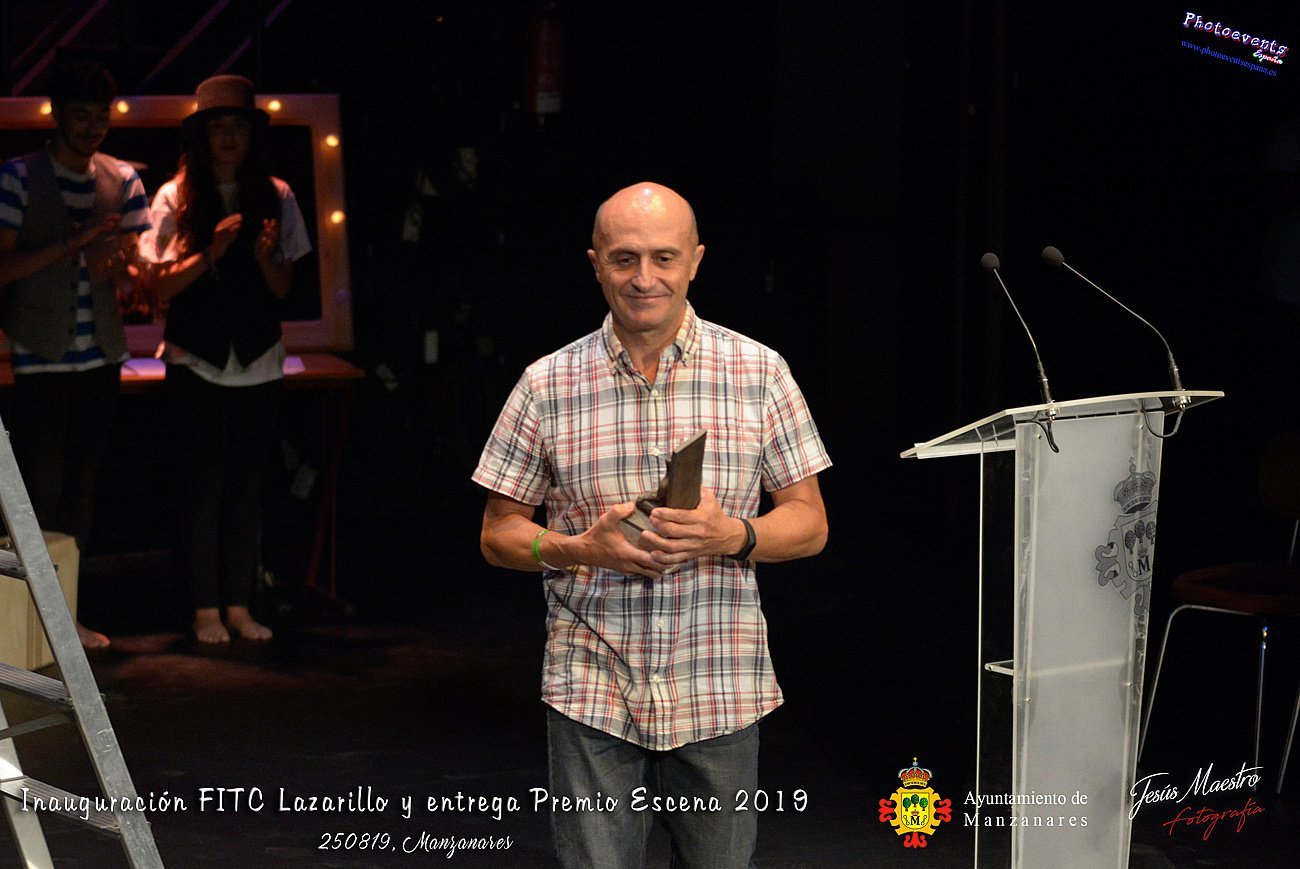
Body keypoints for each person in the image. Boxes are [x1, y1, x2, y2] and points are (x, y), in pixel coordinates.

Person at [473, 182, 831, 868]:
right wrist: (580, 547)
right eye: (624, 258)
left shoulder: (759, 372)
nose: (644, 278)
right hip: (592, 690)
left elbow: (810, 523)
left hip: (718, 685)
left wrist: (732, 535)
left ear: (695, 261)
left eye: (664, 258)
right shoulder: (546, 383)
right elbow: (497, 534)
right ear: (596, 264)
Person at [138, 75, 310, 644]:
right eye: (219, 128)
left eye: (238, 126)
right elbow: (159, 288)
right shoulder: (175, 196)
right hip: (197, 358)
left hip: (258, 359)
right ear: (202, 136)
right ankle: (204, 609)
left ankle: (239, 603)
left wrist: (263, 258)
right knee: (203, 485)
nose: (229, 137)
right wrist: (211, 251)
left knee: (246, 487)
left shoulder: (277, 193)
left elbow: (283, 288)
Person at [0, 55, 151, 650]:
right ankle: (25, 622)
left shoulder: (124, 178)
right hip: (42, 355)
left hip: (101, 355)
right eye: (81, 115)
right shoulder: (18, 177)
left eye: (101, 117)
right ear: (57, 114)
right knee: (39, 490)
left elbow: (134, 277)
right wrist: (73, 242)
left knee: (80, 491)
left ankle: (66, 619)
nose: (92, 128)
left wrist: (129, 270)